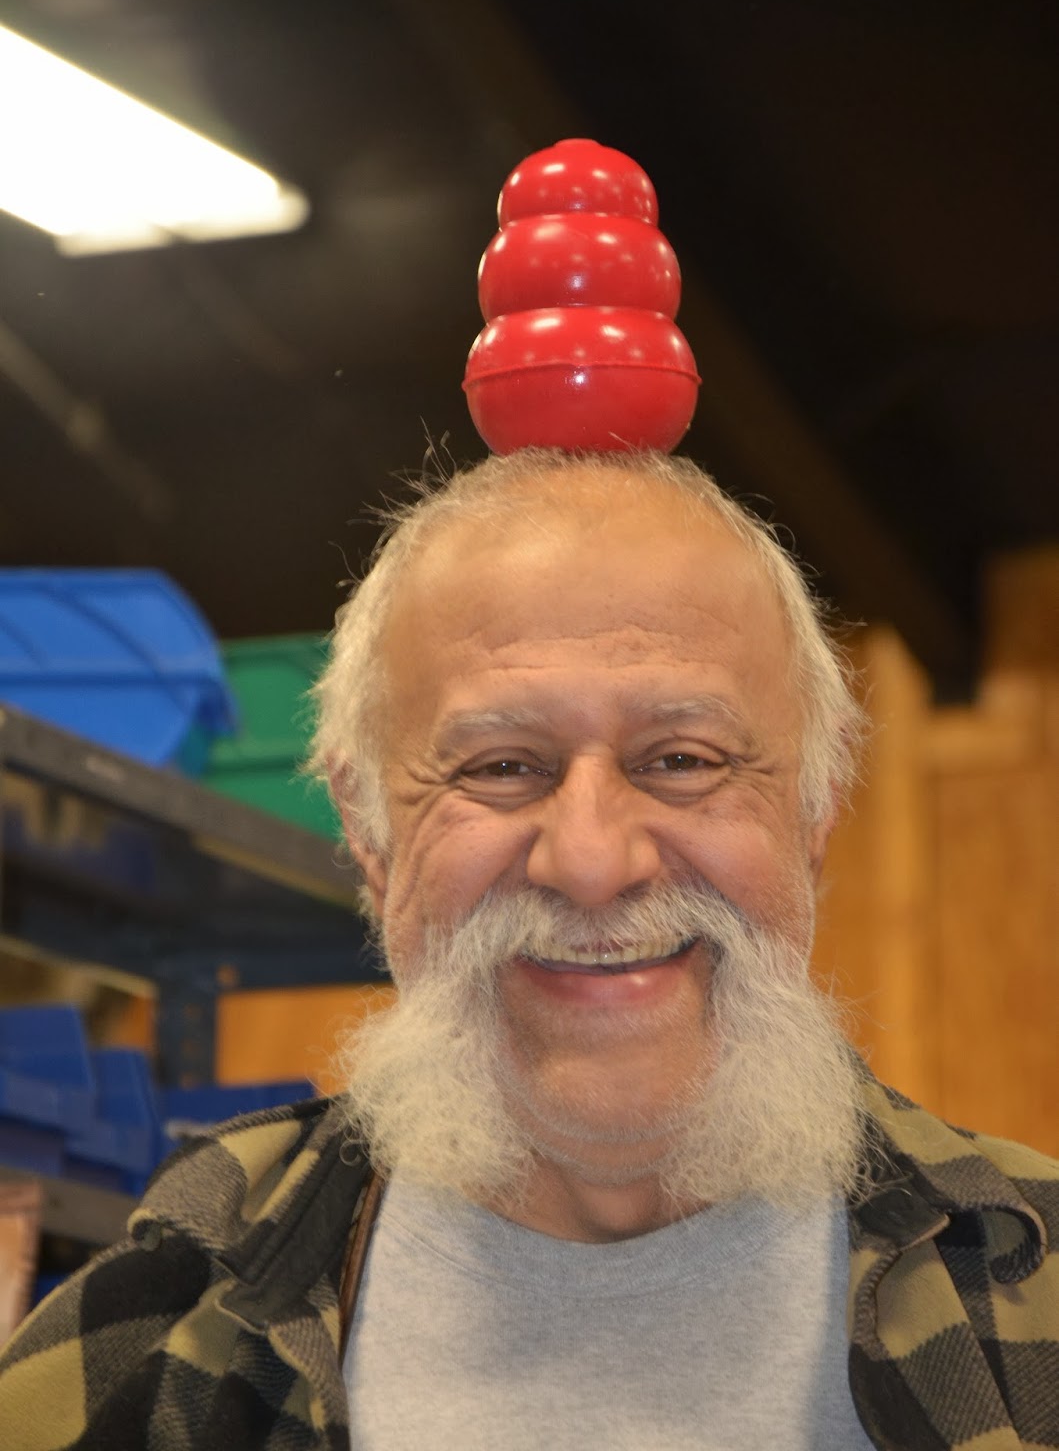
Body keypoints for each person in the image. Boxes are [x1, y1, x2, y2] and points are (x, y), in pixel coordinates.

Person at [1, 447, 1057, 1451]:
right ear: (370, 834)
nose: (593, 861)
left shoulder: (1033, 1291)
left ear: (815, 814)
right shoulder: (159, 1326)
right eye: (502, 765)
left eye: (682, 757)